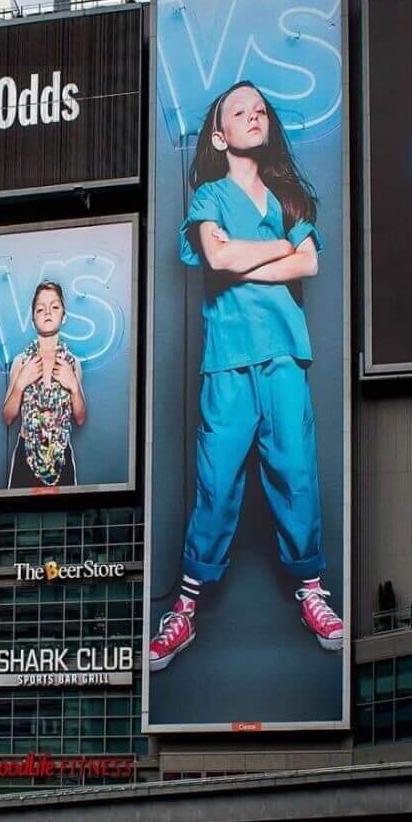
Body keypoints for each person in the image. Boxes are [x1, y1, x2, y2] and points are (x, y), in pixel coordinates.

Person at [150, 80, 345, 672]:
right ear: (220, 133)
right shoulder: (209, 196)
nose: (253, 115)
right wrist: (274, 252)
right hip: (227, 363)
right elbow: (217, 258)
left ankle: (313, 593)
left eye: (261, 109)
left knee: (297, 474)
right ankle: (183, 611)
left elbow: (308, 261)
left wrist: (251, 251)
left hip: (285, 356)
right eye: (240, 111)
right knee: (216, 485)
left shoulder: (288, 198)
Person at [1, 280, 88, 488]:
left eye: (54, 307)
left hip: (61, 455)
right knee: (19, 517)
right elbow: (7, 417)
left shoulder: (72, 362)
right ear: (33, 320)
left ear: (63, 316)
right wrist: (21, 383)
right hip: (26, 454)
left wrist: (74, 386)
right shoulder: (22, 361)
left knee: (64, 518)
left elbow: (81, 418)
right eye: (41, 309)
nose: (47, 312)